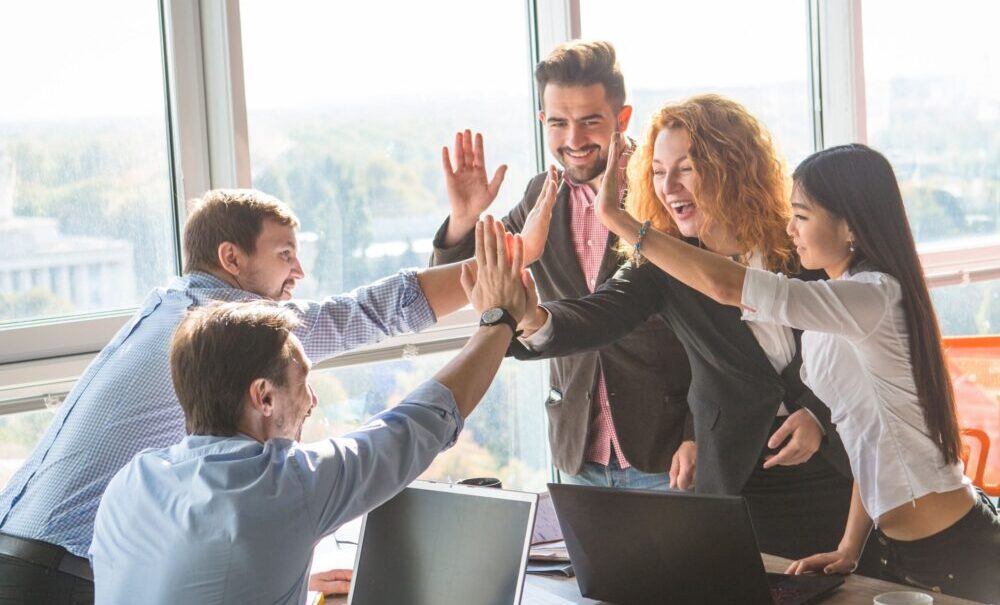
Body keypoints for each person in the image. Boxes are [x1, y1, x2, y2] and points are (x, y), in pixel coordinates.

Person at [0, 189, 475, 603]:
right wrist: (501, 269)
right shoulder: (218, 328)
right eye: (285, 254)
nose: (299, 272)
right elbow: (367, 314)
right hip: (54, 576)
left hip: (22, 552)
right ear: (231, 259)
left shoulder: (171, 304)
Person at [593, 139, 1000, 602]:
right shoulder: (841, 302)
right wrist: (849, 547)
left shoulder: (873, 297)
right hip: (897, 549)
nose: (789, 228)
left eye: (802, 216)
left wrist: (624, 223)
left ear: (850, 226)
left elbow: (729, 285)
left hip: (952, 549)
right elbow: (865, 436)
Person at [89, 218, 534, 604]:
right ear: (263, 396)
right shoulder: (283, 484)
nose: (312, 402)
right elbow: (415, 426)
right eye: (303, 383)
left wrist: (287, 573)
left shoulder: (130, 483)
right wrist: (500, 321)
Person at [507, 95, 859, 562]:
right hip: (737, 481)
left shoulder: (800, 241)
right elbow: (596, 314)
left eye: (687, 169)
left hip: (836, 472)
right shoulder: (661, 262)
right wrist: (531, 318)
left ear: (732, 166)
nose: (669, 186)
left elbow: (859, 339)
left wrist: (816, 412)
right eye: (656, 171)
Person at [431, 40, 694, 491]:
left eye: (590, 121)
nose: (573, 140)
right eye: (558, 123)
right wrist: (463, 218)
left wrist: (696, 434)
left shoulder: (662, 192)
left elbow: (714, 328)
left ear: (622, 119)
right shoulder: (540, 196)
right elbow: (464, 283)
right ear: (543, 123)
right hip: (578, 451)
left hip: (665, 452)